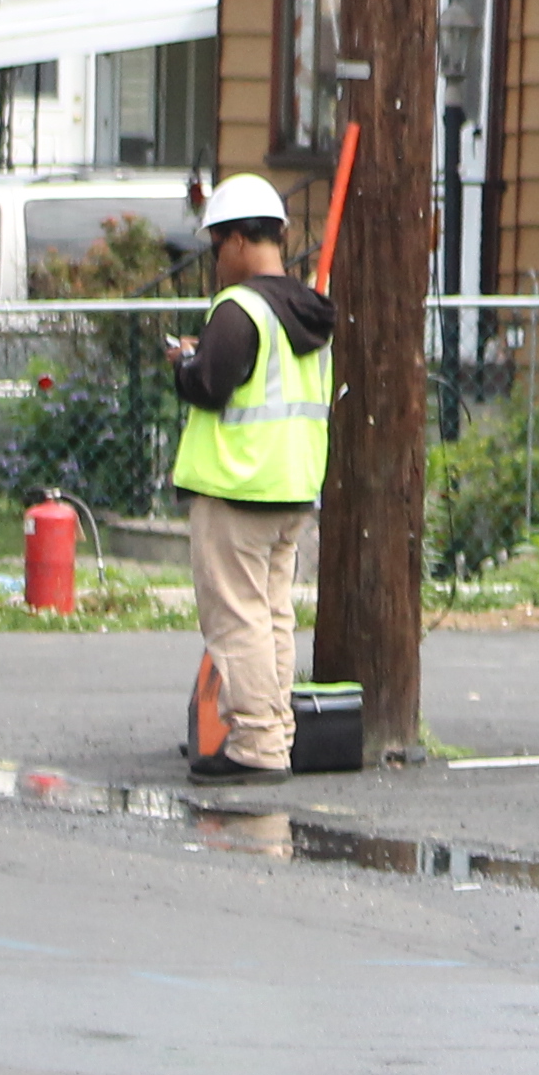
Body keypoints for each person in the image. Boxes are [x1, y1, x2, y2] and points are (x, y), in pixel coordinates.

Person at [166, 172, 333, 782]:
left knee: (237, 621)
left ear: (237, 240)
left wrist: (185, 362)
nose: (215, 260)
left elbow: (210, 385)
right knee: (272, 617)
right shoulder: (306, 311)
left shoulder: (239, 309)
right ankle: (276, 733)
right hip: (291, 485)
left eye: (216, 246)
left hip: (237, 487)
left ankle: (257, 746)